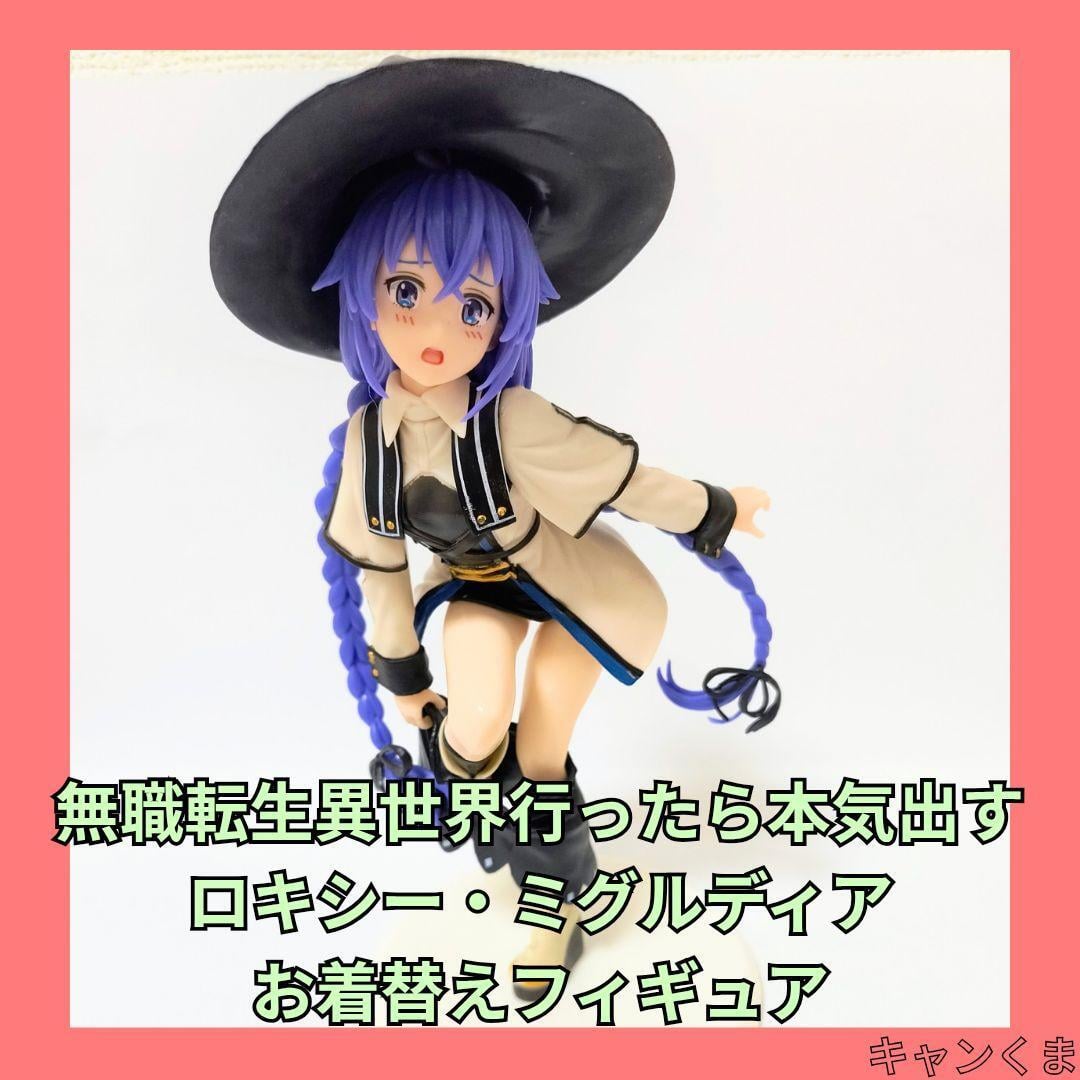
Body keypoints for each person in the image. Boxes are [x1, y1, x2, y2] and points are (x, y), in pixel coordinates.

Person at [211, 56, 778, 1001]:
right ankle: (513, 830)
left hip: (589, 594)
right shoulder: (370, 442)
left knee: (541, 744)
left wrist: (718, 506)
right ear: (360, 294)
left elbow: (626, 482)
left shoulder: (511, 420)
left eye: (473, 304)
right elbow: (379, 571)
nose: (439, 327)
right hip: (481, 591)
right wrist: (402, 679)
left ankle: (550, 909)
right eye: (406, 290)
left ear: (504, 317)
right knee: (472, 723)